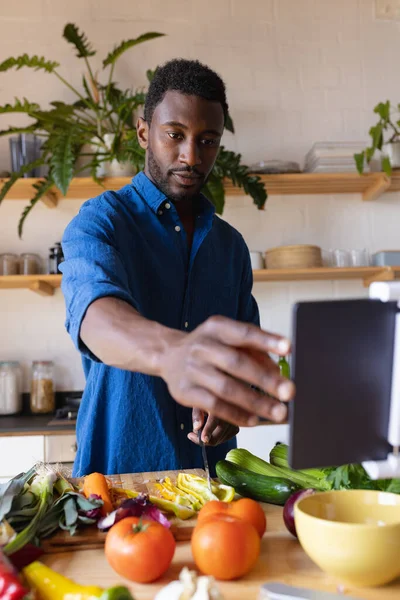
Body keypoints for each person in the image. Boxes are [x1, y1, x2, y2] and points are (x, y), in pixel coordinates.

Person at [60, 58, 295, 477]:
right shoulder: (100, 222)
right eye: (175, 135)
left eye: (207, 141)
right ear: (143, 132)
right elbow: (94, 316)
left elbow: (248, 361)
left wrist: (236, 402)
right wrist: (175, 353)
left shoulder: (231, 248)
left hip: (212, 491)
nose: (191, 155)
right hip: (117, 485)